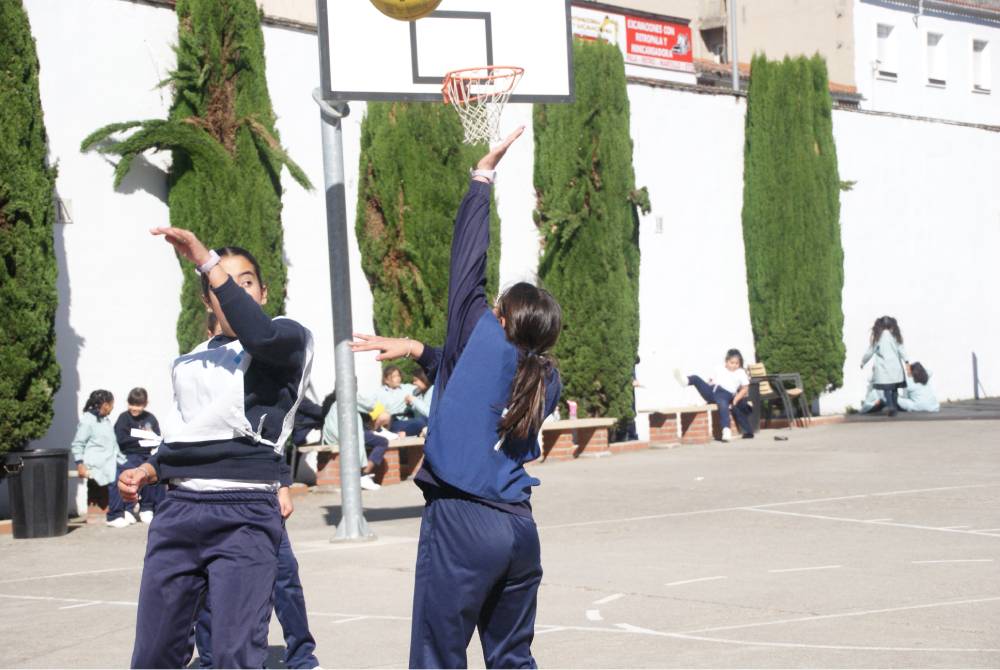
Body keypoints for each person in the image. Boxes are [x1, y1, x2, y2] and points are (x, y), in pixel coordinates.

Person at [352, 127, 563, 669]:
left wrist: (481, 178)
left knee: (438, 656)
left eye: (494, 308)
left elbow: (466, 265)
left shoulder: (480, 332)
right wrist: (420, 349)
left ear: (502, 318)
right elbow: (473, 380)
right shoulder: (545, 376)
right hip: (519, 529)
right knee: (513, 658)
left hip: (463, 522)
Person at [118, 228, 313, 669]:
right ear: (208, 301)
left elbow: (259, 335)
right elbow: (183, 437)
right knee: (153, 653)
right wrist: (148, 471)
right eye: (222, 283)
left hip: (244, 511)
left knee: (232, 654)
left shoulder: (287, 338)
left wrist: (206, 262)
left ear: (263, 292)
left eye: (246, 281)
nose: (235, 289)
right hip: (179, 509)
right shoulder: (192, 359)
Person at [193, 482, 320, 670]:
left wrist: (284, 487)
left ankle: (302, 659)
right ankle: (211, 662)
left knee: (286, 576)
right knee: (212, 587)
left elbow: (279, 460)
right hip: (211, 501)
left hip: (262, 501)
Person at [71, 389, 128, 527]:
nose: (113, 407)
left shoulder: (104, 420)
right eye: (112, 404)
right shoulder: (88, 421)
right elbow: (78, 444)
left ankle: (130, 511)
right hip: (98, 462)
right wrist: (80, 464)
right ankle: (114, 516)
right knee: (117, 478)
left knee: (135, 470)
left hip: (112, 458)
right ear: (105, 405)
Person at [674, 349, 754, 441]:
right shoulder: (720, 368)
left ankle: (726, 430)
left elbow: (745, 388)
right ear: (726, 362)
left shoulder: (740, 372)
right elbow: (712, 380)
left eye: (737, 363)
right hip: (712, 391)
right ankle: (685, 381)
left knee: (723, 405)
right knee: (696, 378)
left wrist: (736, 399)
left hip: (725, 393)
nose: (734, 365)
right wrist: (709, 383)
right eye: (732, 363)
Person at [322, 391, 391, 491]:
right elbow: (370, 406)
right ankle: (363, 475)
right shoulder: (350, 398)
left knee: (370, 438)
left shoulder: (336, 402)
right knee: (382, 442)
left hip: (333, 435)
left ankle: (362, 475)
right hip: (347, 434)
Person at [112, 387, 162, 524]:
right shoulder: (123, 418)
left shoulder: (150, 418)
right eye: (132, 404)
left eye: (138, 405)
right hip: (128, 455)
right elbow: (121, 439)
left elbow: (156, 437)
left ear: (145, 404)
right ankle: (129, 508)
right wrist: (142, 439)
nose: (134, 408)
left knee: (152, 472)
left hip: (147, 454)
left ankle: (147, 508)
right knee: (132, 473)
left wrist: (137, 439)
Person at [861, 316, 907, 417]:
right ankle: (894, 407)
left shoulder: (878, 338)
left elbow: (870, 352)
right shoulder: (895, 336)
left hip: (883, 368)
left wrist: (863, 362)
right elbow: (902, 350)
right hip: (895, 367)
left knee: (886, 389)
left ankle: (890, 406)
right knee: (894, 388)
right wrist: (907, 361)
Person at [365, 365, 427, 436]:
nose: (398, 378)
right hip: (391, 421)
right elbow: (370, 405)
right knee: (384, 417)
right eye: (394, 376)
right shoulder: (380, 392)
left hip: (406, 420)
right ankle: (392, 433)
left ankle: (399, 433)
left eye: (398, 376)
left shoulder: (407, 388)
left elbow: (422, 386)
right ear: (386, 380)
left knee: (422, 420)